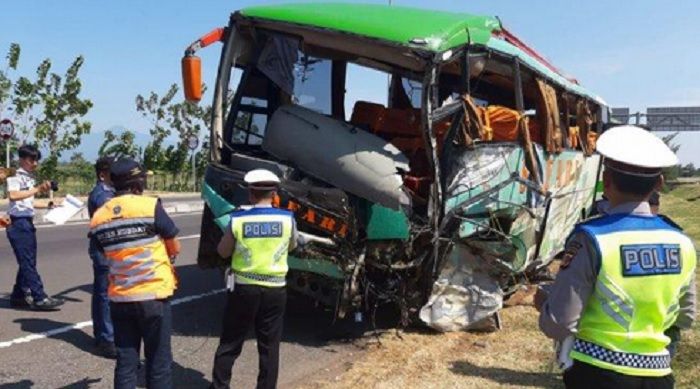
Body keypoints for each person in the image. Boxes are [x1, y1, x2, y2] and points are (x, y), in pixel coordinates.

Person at [536, 125, 697, 389]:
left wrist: (545, 304)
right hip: (658, 375)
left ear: (606, 180)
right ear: (659, 184)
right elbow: (686, 316)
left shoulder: (591, 239)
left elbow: (559, 323)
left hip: (596, 373)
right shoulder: (682, 242)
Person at [89, 158, 181, 389]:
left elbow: (102, 251)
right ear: (138, 183)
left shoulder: (99, 217)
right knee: (158, 362)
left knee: (126, 363)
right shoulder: (149, 206)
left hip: (120, 298)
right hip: (154, 296)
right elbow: (174, 245)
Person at [211, 169, 298, 389]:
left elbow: (223, 251)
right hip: (275, 290)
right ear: (274, 193)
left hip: (244, 289)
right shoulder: (287, 218)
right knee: (269, 347)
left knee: (230, 342)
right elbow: (292, 245)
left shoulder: (238, 219)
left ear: (250, 193)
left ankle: (220, 386)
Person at [6, 145, 64, 310]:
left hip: (27, 221)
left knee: (27, 261)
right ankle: (39, 296)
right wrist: (37, 189)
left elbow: (28, 203)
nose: (35, 163)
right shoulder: (15, 175)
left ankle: (18, 296)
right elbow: (14, 195)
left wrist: (50, 205)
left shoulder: (29, 178)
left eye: (36, 160)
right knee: (28, 262)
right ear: (22, 159)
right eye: (32, 159)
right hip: (18, 223)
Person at [87, 156, 117, 358]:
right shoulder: (103, 195)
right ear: (102, 174)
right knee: (105, 295)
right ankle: (107, 339)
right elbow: (109, 222)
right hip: (104, 249)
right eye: (112, 172)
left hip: (102, 248)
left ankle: (101, 334)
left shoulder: (107, 192)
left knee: (100, 293)